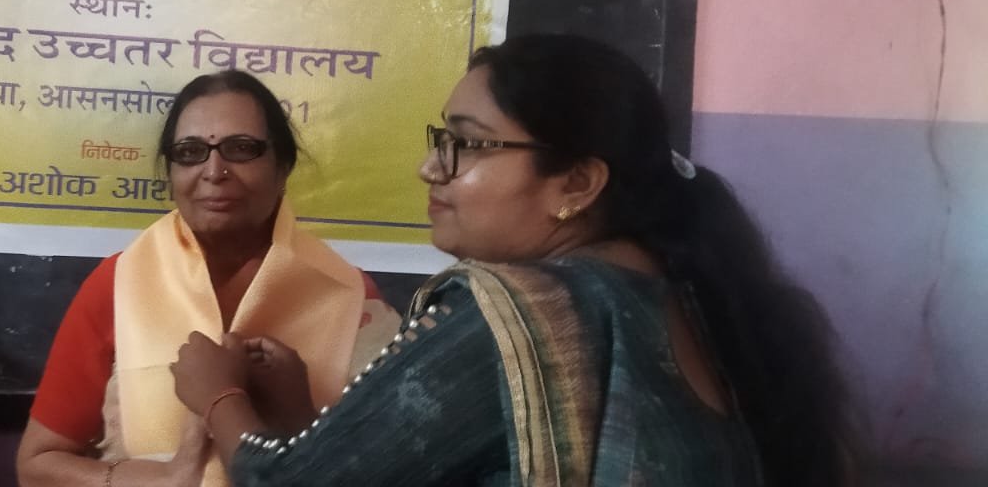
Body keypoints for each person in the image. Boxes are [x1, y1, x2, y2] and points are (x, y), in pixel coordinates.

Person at [171, 34, 855, 486]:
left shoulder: (515, 314)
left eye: (468, 145)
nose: (431, 168)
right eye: (190, 153)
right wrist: (298, 415)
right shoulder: (682, 298)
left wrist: (219, 395)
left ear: (577, 184)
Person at [17, 70, 400, 487]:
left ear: (283, 168)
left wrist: (298, 415)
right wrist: (153, 480)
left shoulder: (349, 297)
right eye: (190, 152)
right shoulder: (119, 284)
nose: (214, 170)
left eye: (241, 148)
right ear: (171, 174)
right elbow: (37, 465)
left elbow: (391, 470)